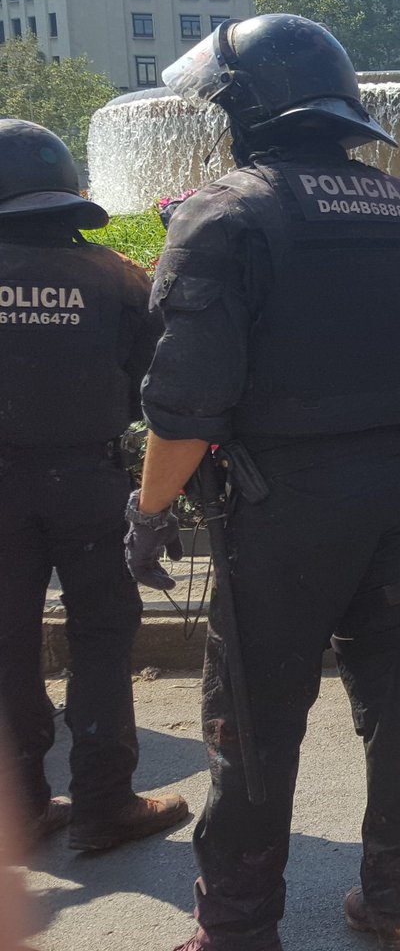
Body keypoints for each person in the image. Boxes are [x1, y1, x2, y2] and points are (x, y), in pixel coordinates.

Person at [127, 15, 400, 951]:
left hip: (279, 511)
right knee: (391, 694)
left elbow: (187, 407)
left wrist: (147, 510)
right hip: (390, 493)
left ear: (248, 111)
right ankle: (395, 902)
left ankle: (240, 928)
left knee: (254, 718)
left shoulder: (225, 212)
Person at [0, 119, 189, 852]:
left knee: (7, 642)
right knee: (103, 640)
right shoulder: (118, 277)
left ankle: (20, 810)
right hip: (89, 483)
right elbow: (161, 391)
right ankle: (105, 804)